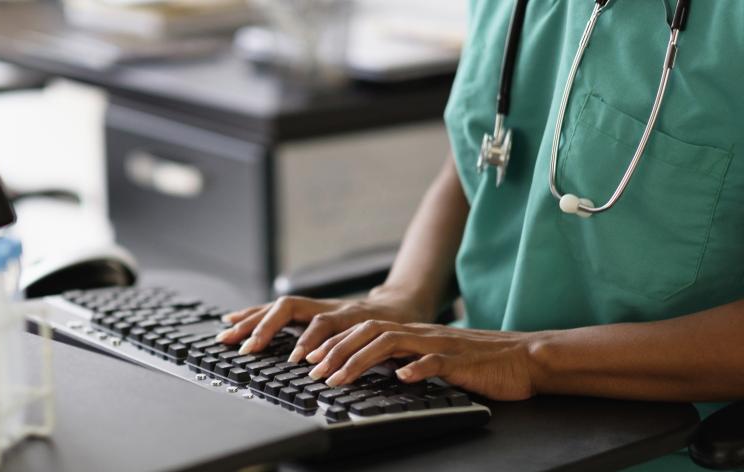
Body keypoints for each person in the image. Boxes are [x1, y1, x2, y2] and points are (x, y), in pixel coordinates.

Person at [218, 1, 744, 470]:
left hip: (658, 438)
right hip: (468, 393)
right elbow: (485, 155)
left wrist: (528, 357)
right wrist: (402, 296)